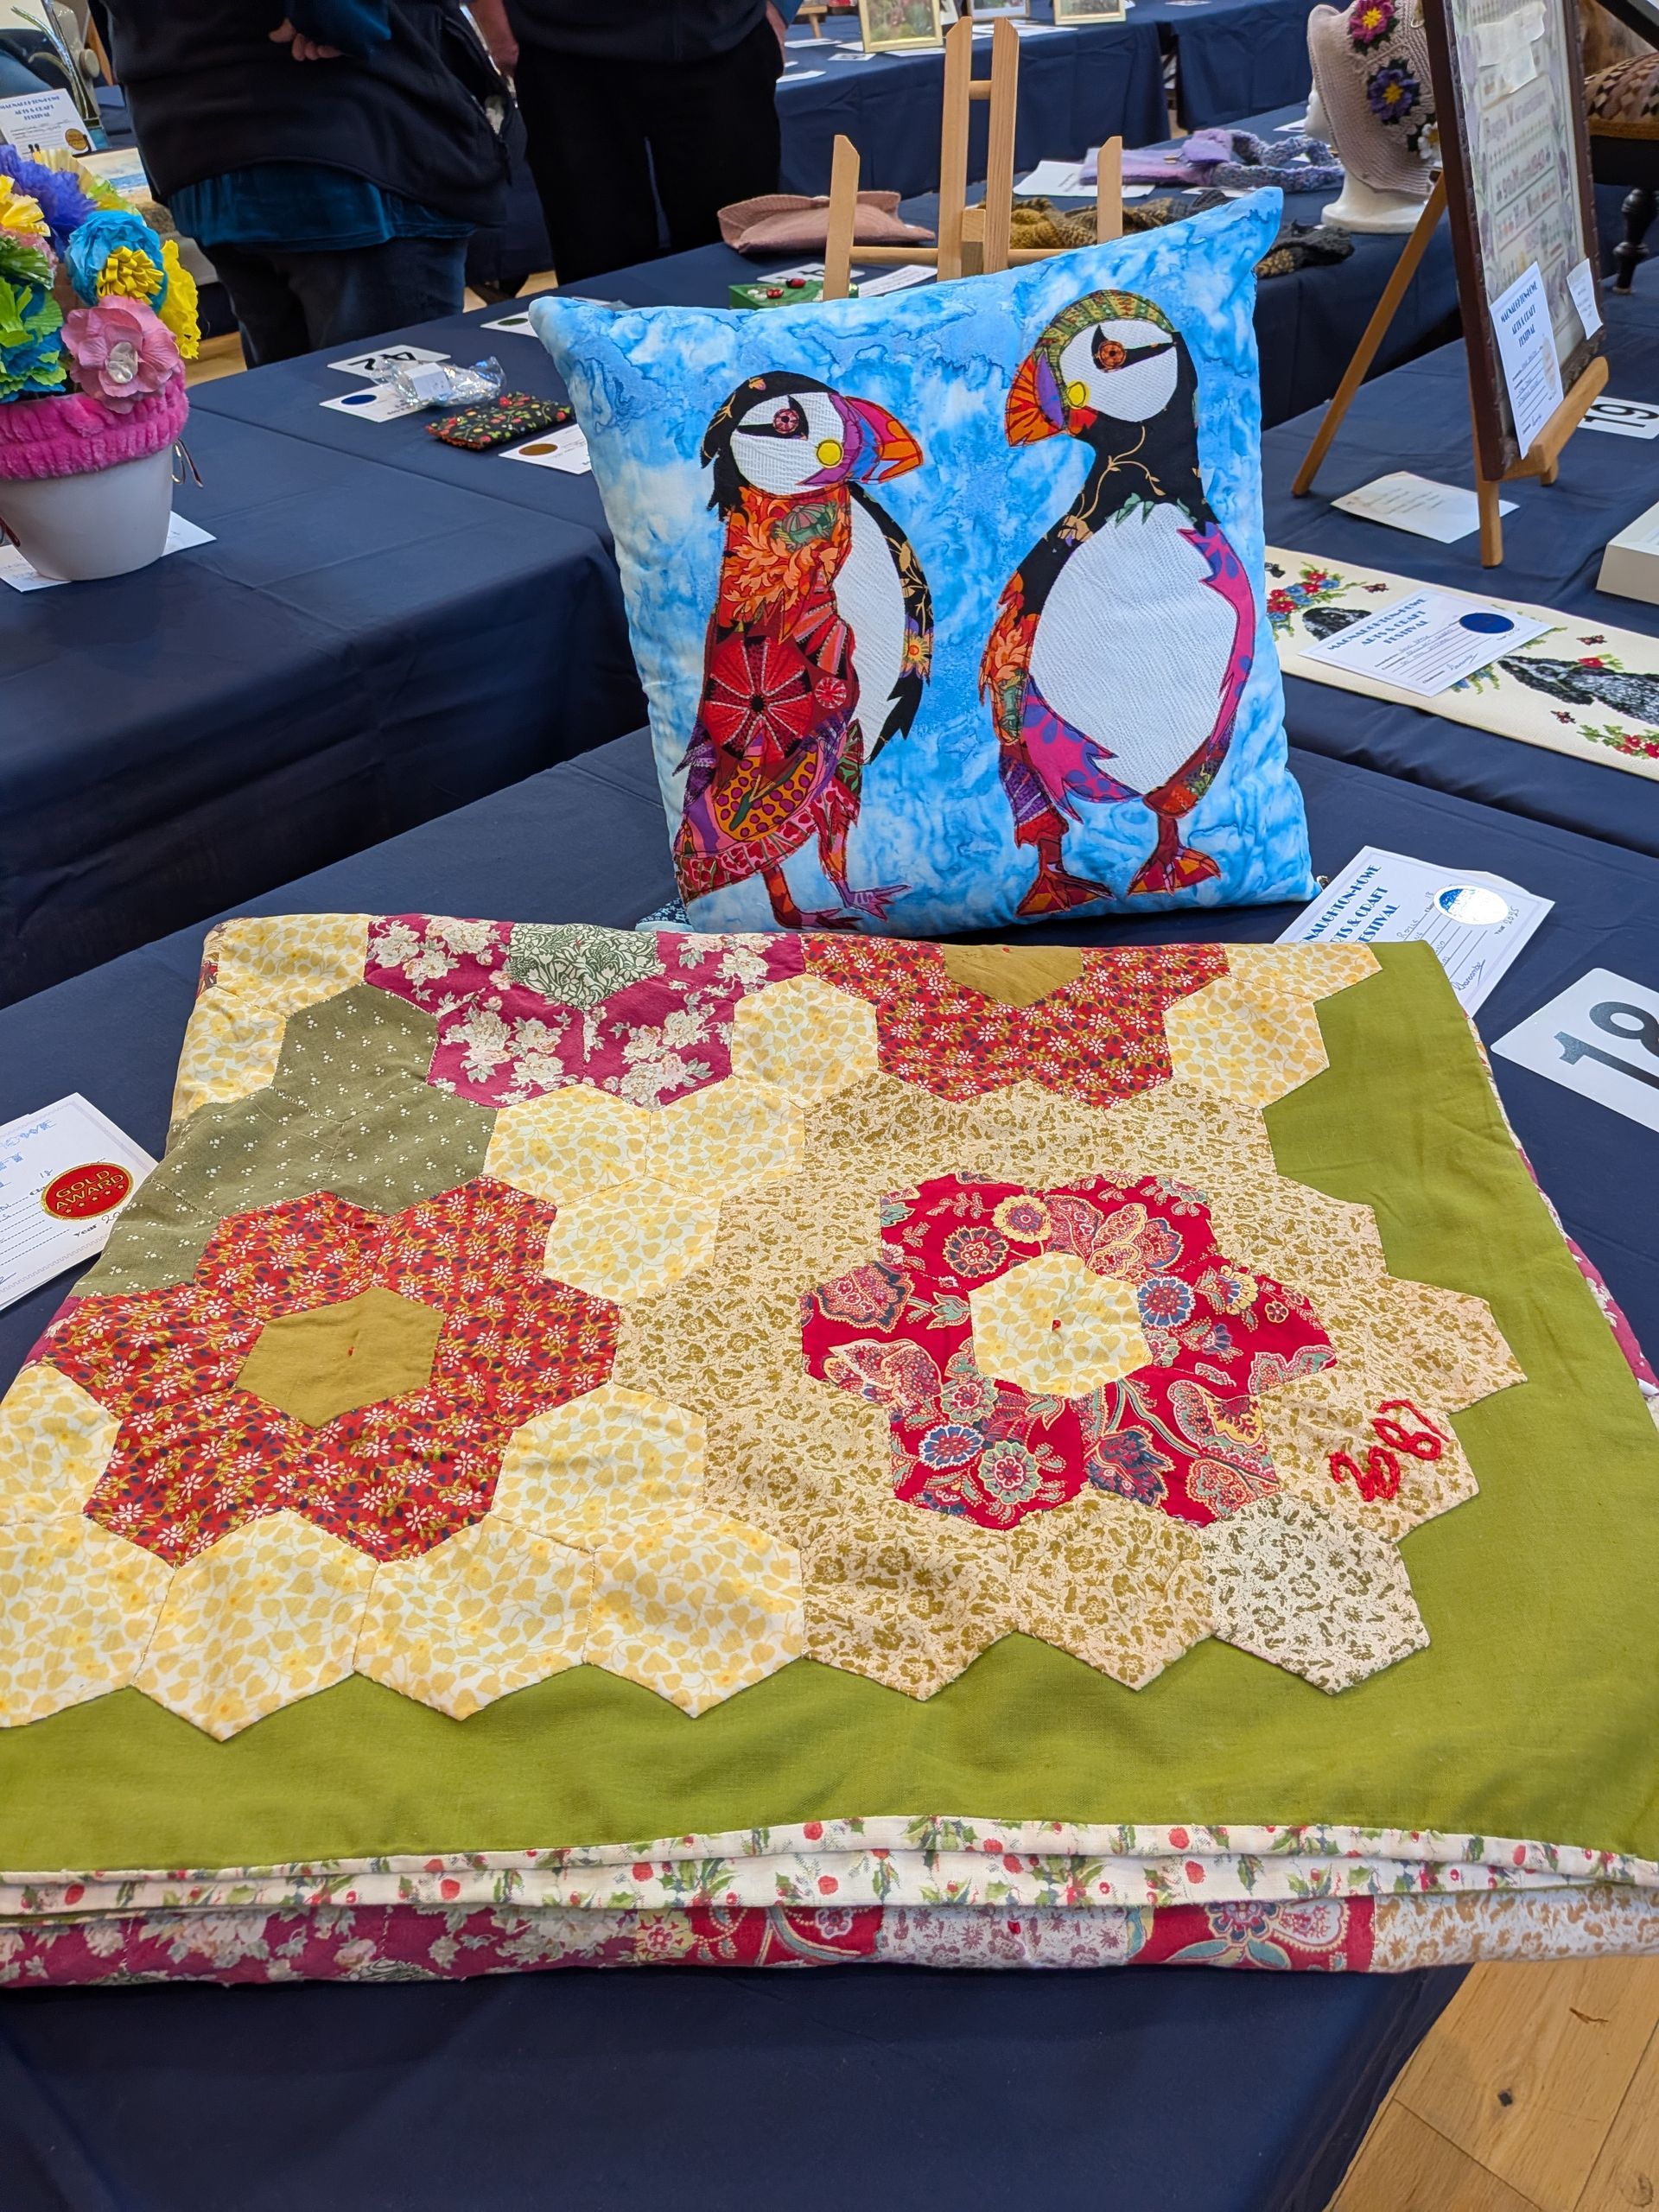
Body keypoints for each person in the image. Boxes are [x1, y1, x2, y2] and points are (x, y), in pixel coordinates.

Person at [102, 1, 507, 365]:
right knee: (398, 419)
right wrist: (343, 18)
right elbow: (345, 20)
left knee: (297, 415)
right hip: (334, 143)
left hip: (194, 133)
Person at [468, 0, 798, 283]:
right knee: (596, 263)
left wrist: (779, 9)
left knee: (737, 261)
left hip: (727, 38)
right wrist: (492, 16)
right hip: (561, 47)